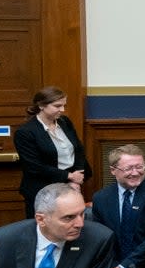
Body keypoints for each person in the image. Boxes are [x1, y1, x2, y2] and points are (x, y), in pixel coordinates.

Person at [14, 87, 91, 218]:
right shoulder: (25, 132)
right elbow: (34, 167)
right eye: (57, 106)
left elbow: (78, 149)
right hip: (41, 189)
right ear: (41, 105)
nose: (62, 110)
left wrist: (76, 180)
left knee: (70, 224)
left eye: (63, 105)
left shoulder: (64, 122)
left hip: (70, 186)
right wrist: (69, 176)